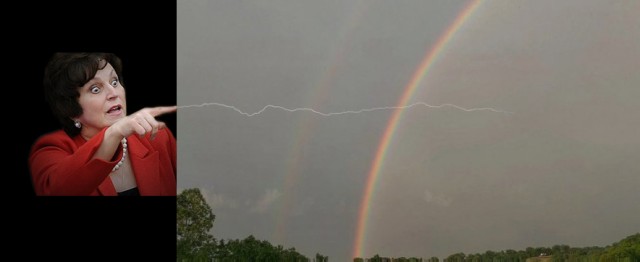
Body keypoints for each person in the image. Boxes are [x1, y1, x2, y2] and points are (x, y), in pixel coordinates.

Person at [29, 53, 177, 196]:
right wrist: (114, 133)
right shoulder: (50, 149)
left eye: (114, 81)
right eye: (95, 89)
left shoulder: (157, 136)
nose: (114, 93)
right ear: (71, 109)